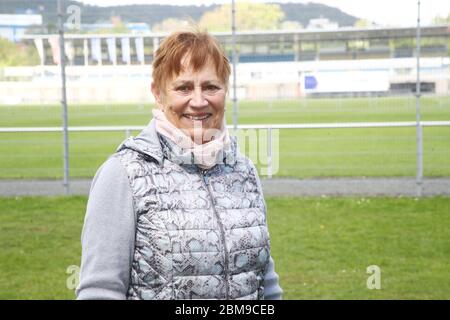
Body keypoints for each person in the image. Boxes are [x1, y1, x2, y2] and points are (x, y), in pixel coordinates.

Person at [76, 30, 283, 300]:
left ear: (225, 91)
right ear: (158, 93)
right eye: (183, 87)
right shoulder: (123, 174)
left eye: (211, 87)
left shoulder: (243, 171)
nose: (198, 101)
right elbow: (100, 291)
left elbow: (266, 285)